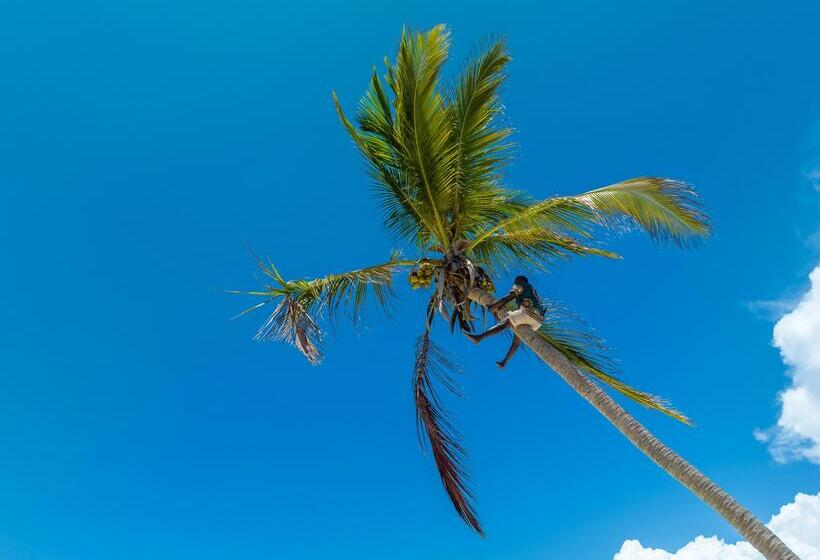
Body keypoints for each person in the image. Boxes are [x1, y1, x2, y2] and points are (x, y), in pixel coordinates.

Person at [465, 276, 544, 368]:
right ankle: (504, 362)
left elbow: (507, 298)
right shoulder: (531, 291)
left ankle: (479, 337)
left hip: (530, 313)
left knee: (507, 321)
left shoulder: (521, 285)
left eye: (515, 281)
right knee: (517, 339)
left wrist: (492, 307)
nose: (514, 283)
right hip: (538, 321)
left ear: (519, 281)